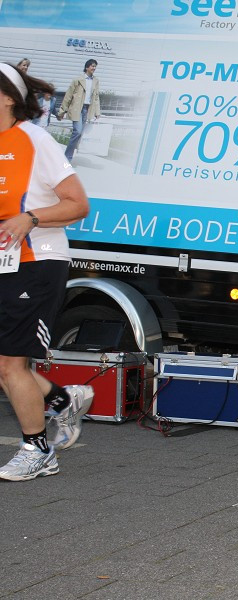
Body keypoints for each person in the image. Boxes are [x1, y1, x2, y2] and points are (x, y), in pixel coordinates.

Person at [0, 63, 93, 481]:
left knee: (9, 365)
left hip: (38, 263)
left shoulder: (35, 141)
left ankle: (38, 450)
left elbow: (77, 203)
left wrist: (30, 218)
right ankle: (61, 402)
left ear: (7, 97)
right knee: (4, 364)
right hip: (6, 263)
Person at [57, 59, 101, 161]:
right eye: (92, 66)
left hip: (87, 109)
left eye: (95, 66)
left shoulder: (96, 81)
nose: (94, 68)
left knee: (79, 133)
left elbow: (96, 97)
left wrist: (97, 112)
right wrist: (62, 111)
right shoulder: (78, 79)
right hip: (77, 109)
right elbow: (68, 95)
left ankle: (68, 155)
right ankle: (67, 158)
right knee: (77, 131)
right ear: (87, 67)